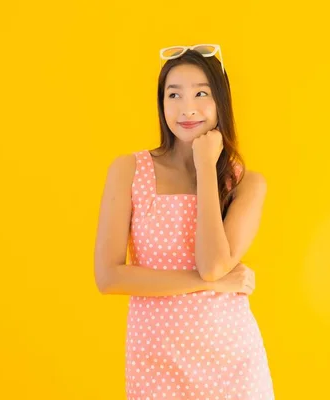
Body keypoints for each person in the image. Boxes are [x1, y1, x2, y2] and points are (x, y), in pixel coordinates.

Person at [93, 44, 275, 400]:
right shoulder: (129, 170)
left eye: (201, 93)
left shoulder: (246, 184)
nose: (186, 107)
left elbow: (212, 265)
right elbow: (109, 276)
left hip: (233, 364)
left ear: (220, 101)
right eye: (173, 94)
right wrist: (215, 284)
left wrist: (206, 167)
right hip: (157, 363)